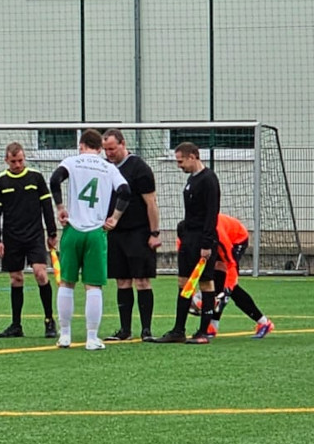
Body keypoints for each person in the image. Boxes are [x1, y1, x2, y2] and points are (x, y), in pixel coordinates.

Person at [49, 128, 130, 351]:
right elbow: (125, 191)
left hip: (73, 229)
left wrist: (60, 208)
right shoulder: (108, 167)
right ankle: (92, 338)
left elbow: (55, 179)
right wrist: (114, 218)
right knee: (93, 286)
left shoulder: (72, 162)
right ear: (99, 147)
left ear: (82, 145)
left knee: (67, 282)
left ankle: (64, 335)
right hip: (96, 231)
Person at [151, 142, 220, 344]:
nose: (179, 165)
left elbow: (211, 214)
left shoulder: (209, 179)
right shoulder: (191, 179)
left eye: (181, 161)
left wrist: (206, 244)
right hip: (188, 239)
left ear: (193, 156)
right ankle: (178, 330)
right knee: (183, 283)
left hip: (202, 240)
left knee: (206, 283)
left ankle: (204, 333)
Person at [0, 142, 58, 338]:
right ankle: (16, 325)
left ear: (24, 158)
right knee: (16, 278)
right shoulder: (0, 182)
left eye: (20, 160)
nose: (17, 165)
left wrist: (51, 232)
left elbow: (46, 206)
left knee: (40, 274)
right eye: (13, 161)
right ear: (6, 160)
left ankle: (49, 321)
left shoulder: (36, 177)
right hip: (11, 237)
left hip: (34, 235)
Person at [101, 129, 162, 341]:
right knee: (122, 281)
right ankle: (124, 330)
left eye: (112, 148)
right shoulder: (105, 168)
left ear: (122, 144)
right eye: (105, 149)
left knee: (142, 280)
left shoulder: (139, 168)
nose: (108, 153)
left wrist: (154, 233)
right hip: (115, 233)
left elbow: (151, 203)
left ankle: (146, 330)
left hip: (139, 232)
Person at [189, 213, 274, 339]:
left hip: (237, 239)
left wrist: (228, 287)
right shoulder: (189, 233)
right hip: (214, 241)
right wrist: (191, 292)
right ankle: (212, 326)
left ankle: (264, 323)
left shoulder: (218, 234)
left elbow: (231, 264)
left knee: (229, 287)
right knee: (218, 284)